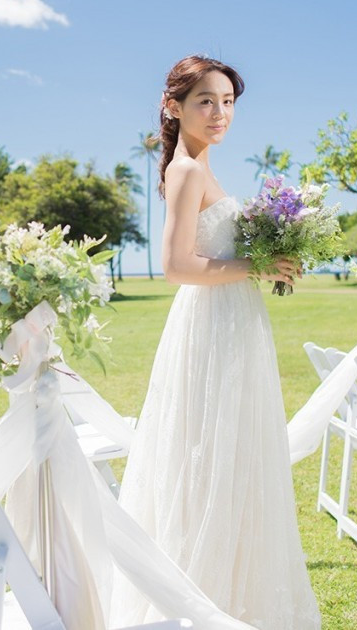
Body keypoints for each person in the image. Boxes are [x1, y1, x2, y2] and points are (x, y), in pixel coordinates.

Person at [113, 55, 321, 629]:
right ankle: (197, 601)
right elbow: (177, 265)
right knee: (209, 454)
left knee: (231, 455)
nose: (220, 112)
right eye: (206, 100)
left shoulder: (201, 165)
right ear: (173, 107)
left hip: (232, 321)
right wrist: (255, 265)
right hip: (211, 326)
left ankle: (226, 594)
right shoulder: (186, 170)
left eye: (228, 102)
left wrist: (267, 261)